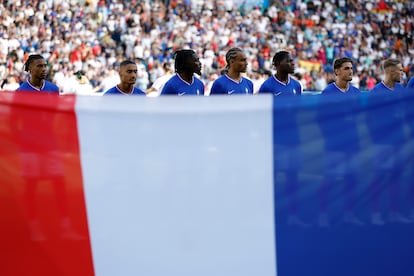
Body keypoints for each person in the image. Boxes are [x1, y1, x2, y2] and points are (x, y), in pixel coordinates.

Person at [259, 51, 305, 227]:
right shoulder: (267, 87)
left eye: (293, 61)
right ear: (277, 64)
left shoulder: (297, 86)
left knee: (293, 177)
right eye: (288, 61)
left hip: (294, 138)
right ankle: (271, 215)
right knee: (273, 178)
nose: (293, 64)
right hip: (275, 139)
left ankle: (292, 214)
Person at [316, 57, 363, 227]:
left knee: (352, 179)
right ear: (337, 71)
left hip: (353, 143)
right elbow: (320, 119)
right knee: (328, 179)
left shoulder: (356, 93)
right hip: (334, 145)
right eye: (346, 68)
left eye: (351, 68)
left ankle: (349, 214)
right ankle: (323, 214)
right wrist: (333, 136)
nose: (350, 71)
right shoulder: (328, 93)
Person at [365, 58, 410, 225]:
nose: (402, 73)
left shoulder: (400, 89)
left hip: (398, 142)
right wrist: (376, 138)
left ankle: (394, 212)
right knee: (379, 177)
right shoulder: (376, 92)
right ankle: (375, 212)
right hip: (382, 143)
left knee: (396, 177)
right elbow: (368, 119)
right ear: (391, 72)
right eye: (400, 70)